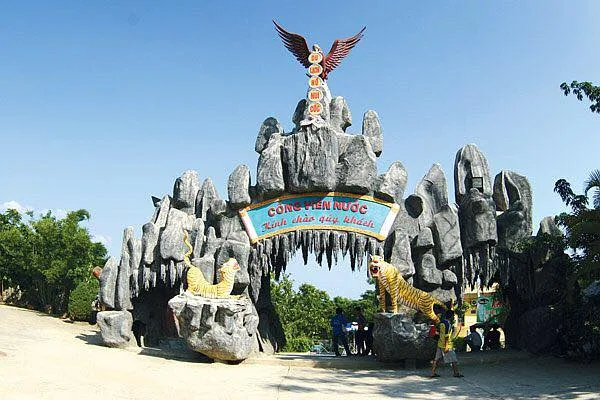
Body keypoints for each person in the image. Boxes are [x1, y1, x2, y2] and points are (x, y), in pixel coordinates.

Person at [430, 310, 464, 378]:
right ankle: (456, 373)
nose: (453, 317)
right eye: (453, 316)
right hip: (447, 345)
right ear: (451, 316)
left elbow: (438, 333)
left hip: (440, 344)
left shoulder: (441, 323)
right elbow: (446, 336)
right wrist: (446, 347)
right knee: (454, 360)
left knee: (436, 359)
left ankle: (432, 373)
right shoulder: (448, 324)